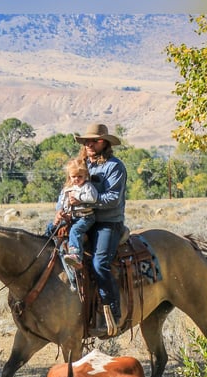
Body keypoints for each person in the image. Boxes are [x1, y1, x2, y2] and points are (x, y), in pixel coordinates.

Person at [72, 123, 127, 337]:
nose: (88, 144)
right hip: (83, 218)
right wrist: (63, 208)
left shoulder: (114, 166)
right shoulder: (82, 165)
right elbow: (70, 186)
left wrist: (87, 202)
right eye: (86, 141)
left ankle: (113, 310)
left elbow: (113, 199)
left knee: (99, 264)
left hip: (108, 222)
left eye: (93, 141)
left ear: (104, 143)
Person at [48, 159, 98, 270]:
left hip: (86, 217)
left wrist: (79, 198)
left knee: (75, 230)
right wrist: (60, 211)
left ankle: (76, 256)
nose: (76, 179)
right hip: (72, 216)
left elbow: (93, 198)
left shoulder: (87, 186)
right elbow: (61, 201)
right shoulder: (68, 188)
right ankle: (45, 244)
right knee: (52, 226)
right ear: (69, 176)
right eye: (73, 176)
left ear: (85, 175)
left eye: (80, 176)